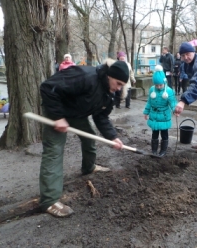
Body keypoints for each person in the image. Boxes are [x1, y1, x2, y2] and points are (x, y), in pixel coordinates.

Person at [39, 59, 130, 217]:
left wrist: (113, 137)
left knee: (89, 136)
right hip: (57, 110)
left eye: (122, 85)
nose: (118, 88)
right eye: (118, 83)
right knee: (54, 150)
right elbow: (48, 87)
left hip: (76, 113)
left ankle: (89, 167)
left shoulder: (108, 94)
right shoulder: (85, 77)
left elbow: (101, 117)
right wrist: (58, 117)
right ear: (109, 76)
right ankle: (49, 201)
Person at [143, 65, 177, 157]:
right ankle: (154, 150)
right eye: (156, 85)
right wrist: (146, 112)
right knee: (154, 134)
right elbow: (149, 102)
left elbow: (172, 102)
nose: (158, 87)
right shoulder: (151, 90)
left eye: (160, 85)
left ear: (164, 82)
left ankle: (163, 150)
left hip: (164, 116)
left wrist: (175, 110)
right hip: (154, 116)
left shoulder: (169, 91)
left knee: (164, 134)